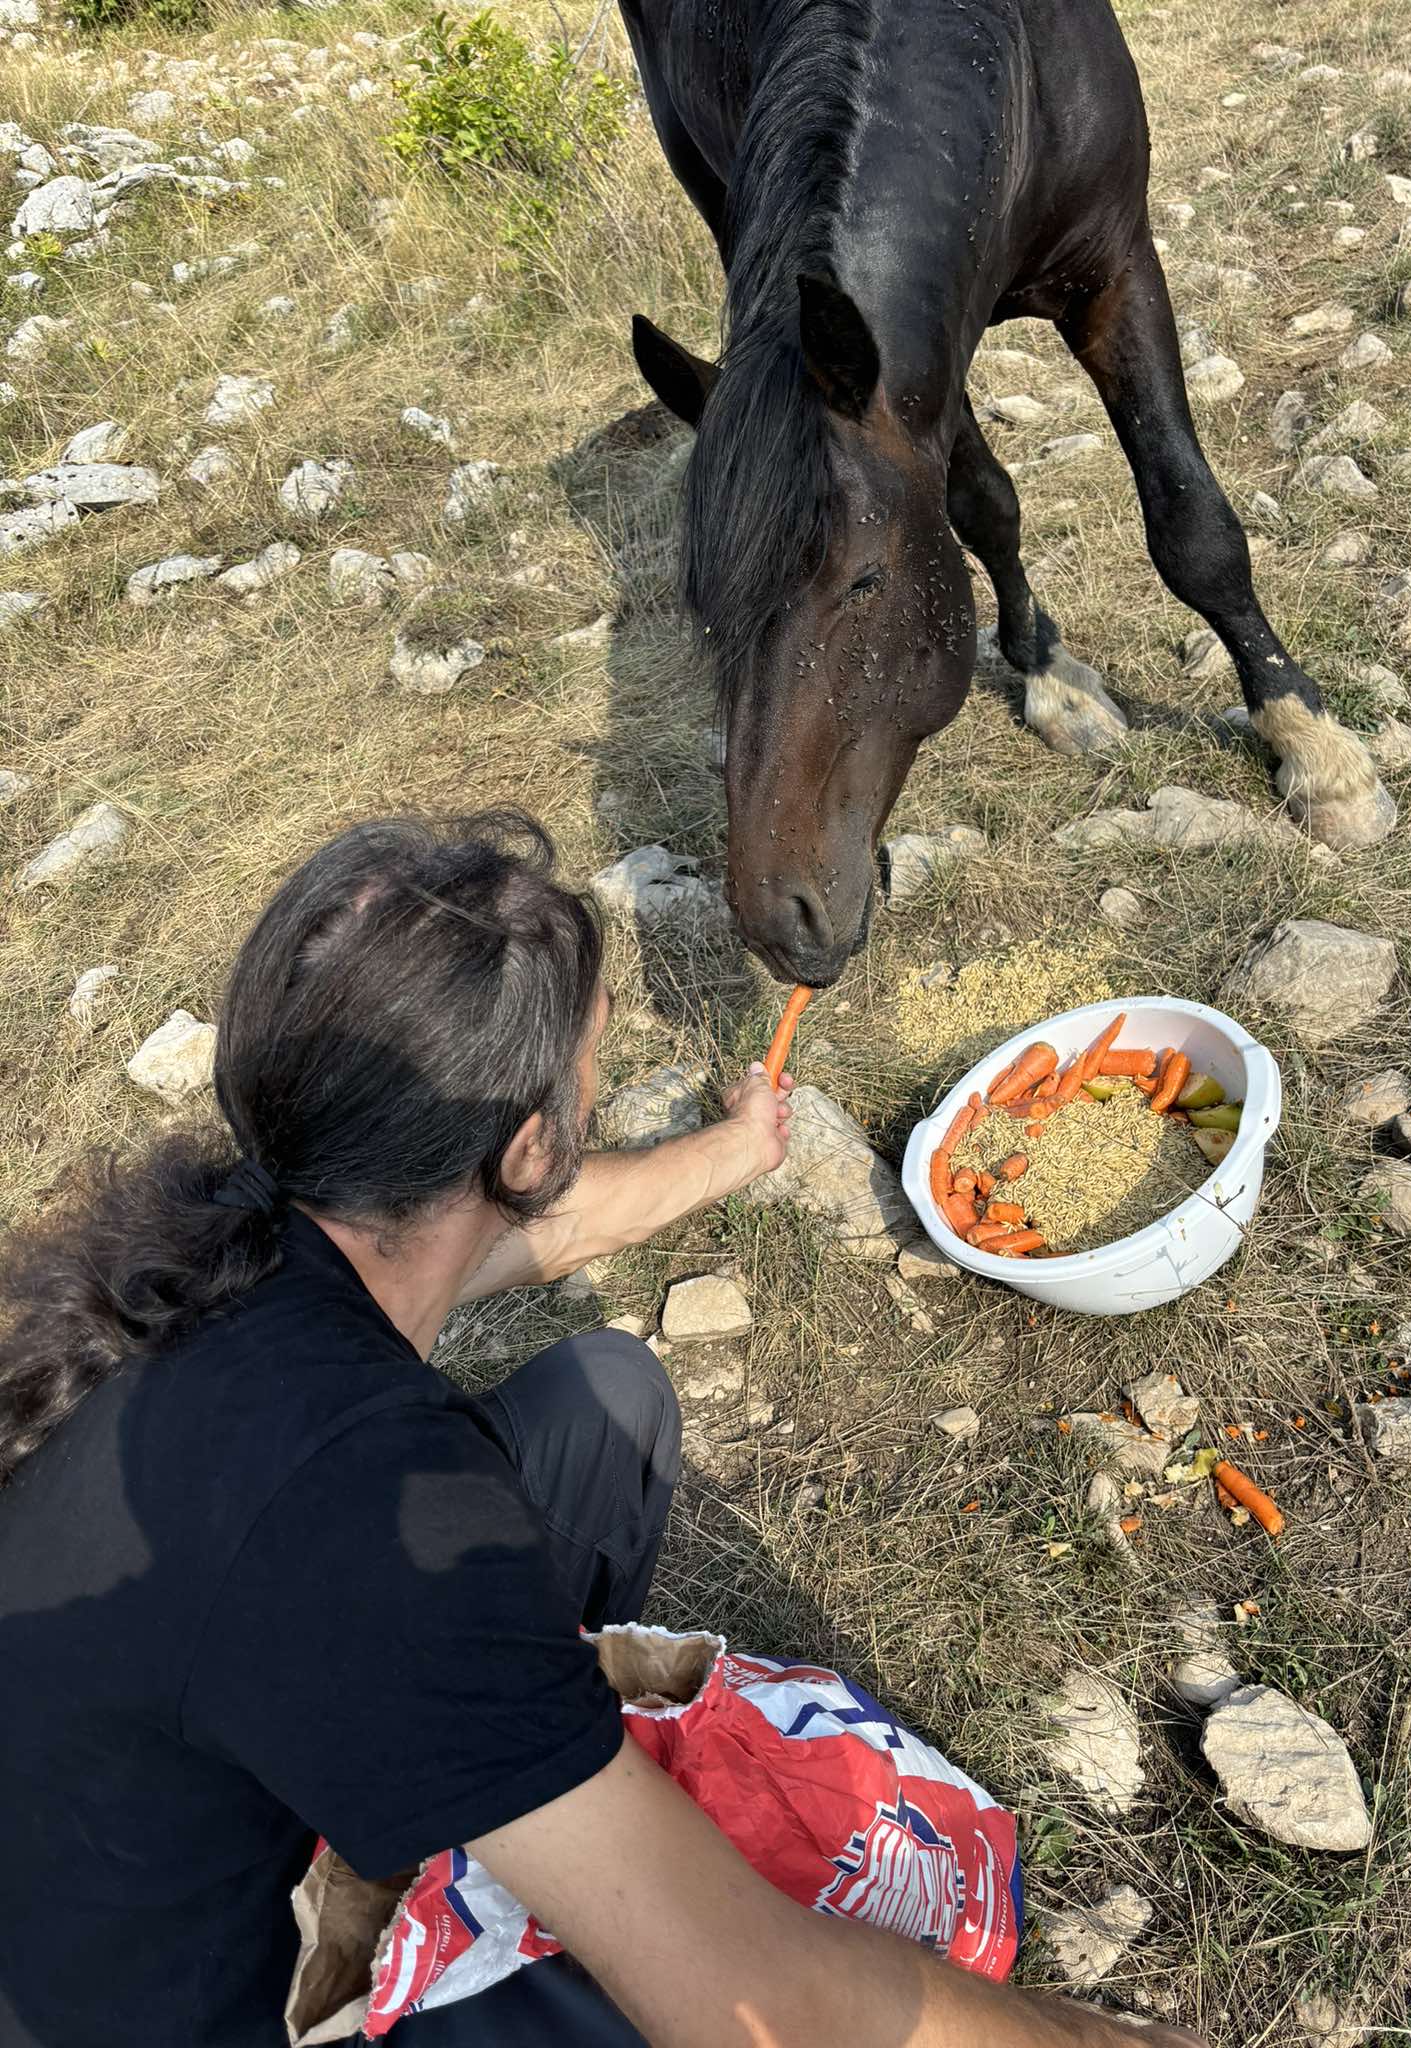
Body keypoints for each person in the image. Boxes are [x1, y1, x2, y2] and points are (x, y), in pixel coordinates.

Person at [0, 811, 1197, 2048]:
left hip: (164, 1766)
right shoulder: (369, 1512)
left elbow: (533, 1231)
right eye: (592, 1055)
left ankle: (494, 1792)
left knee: (603, 1400)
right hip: (187, 2007)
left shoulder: (230, 1233)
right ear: (527, 1147)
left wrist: (738, 1147)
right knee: (627, 1995)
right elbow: (762, 2007)